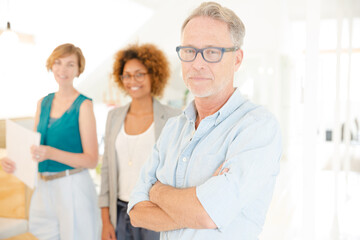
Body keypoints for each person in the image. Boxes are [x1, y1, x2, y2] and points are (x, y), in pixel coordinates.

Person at [127, 2, 282, 239]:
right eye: (189, 51)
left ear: (237, 59)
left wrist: (157, 192)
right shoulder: (173, 128)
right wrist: (197, 207)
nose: (197, 63)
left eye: (212, 52)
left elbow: (207, 213)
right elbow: (137, 213)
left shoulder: (257, 127)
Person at [1, 43, 100, 240]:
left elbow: (92, 160)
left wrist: (51, 153)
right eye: (58, 63)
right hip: (43, 187)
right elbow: (36, 149)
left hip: (72, 186)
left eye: (70, 64)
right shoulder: (42, 103)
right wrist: (14, 162)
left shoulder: (84, 105)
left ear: (78, 70)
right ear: (51, 66)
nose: (63, 70)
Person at [98, 43, 181, 240]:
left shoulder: (173, 118)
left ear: (154, 75)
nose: (132, 81)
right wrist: (105, 221)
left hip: (154, 210)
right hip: (119, 213)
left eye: (139, 74)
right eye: (126, 75)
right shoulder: (114, 117)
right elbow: (107, 170)